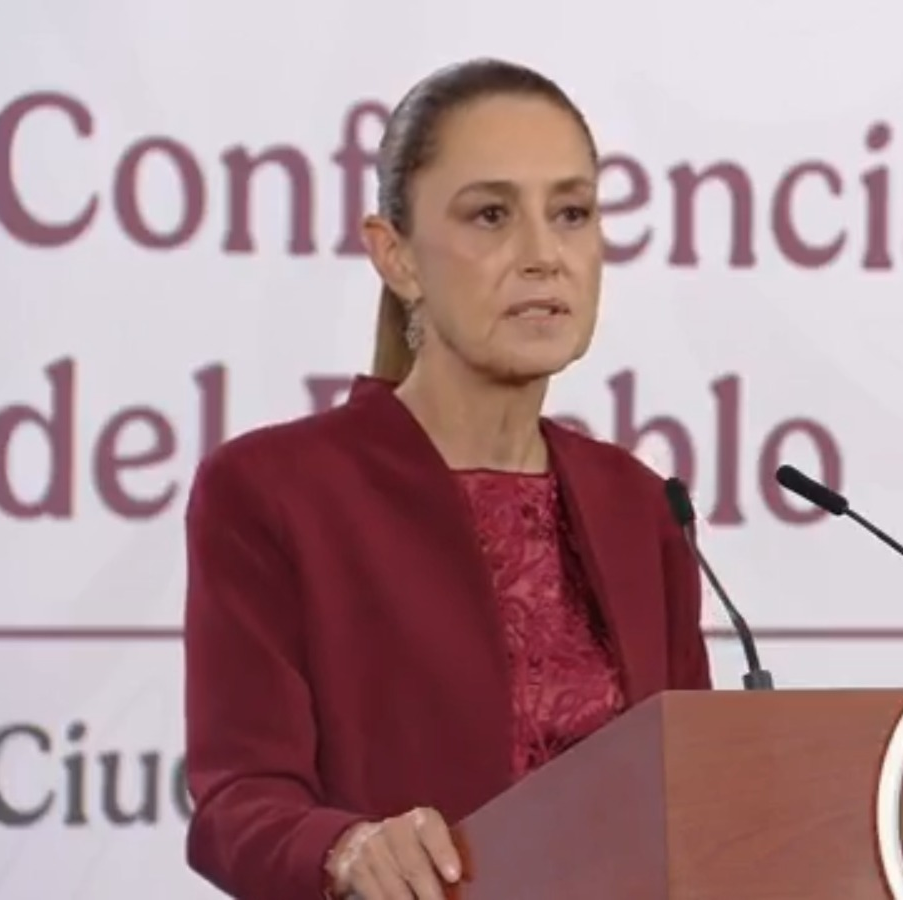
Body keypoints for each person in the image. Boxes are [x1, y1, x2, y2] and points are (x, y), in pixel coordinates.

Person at [180, 58, 712, 900]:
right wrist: (345, 848)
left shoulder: (640, 504)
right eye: (491, 215)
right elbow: (237, 805)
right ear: (395, 256)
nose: (544, 256)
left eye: (571, 213)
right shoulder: (272, 490)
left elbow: (699, 794)